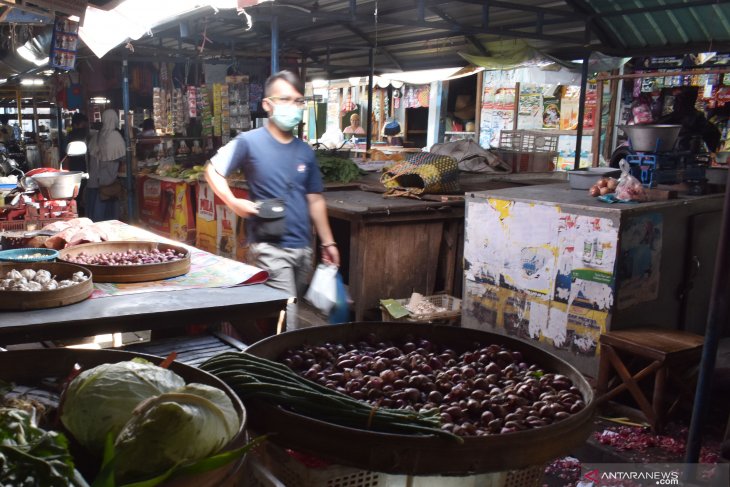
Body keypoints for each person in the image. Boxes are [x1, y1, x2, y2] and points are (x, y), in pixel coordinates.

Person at [205, 70, 340, 330]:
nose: (294, 107)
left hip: (303, 248)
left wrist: (328, 242)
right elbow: (212, 170)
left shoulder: (304, 151)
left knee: (282, 310)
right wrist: (234, 202)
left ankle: (257, 346)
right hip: (270, 246)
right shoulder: (248, 142)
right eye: (285, 99)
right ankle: (280, 362)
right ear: (268, 105)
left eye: (299, 101)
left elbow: (314, 199)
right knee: (287, 314)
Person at [86, 109, 125, 222]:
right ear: (114, 119)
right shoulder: (115, 136)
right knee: (109, 220)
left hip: (93, 183)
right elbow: (122, 157)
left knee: (95, 220)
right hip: (107, 184)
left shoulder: (96, 136)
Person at [657, 87, 721, 152]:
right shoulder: (671, 118)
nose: (675, 105)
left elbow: (713, 134)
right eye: (677, 101)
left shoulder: (697, 119)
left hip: (685, 154)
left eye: (679, 101)